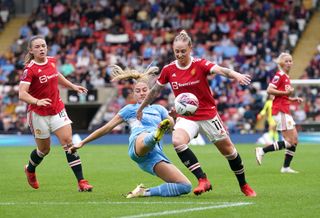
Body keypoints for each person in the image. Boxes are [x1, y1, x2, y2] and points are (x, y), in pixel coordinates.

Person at [137, 30, 256, 197]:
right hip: (187, 116)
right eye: (176, 51)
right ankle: (202, 179)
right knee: (177, 141)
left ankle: (243, 184)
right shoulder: (169, 70)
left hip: (208, 115)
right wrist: (141, 107)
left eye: (183, 51)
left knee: (229, 152)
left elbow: (220, 70)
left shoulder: (200, 64)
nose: (179, 54)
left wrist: (235, 74)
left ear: (190, 48)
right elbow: (155, 91)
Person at [69, 65, 192, 198]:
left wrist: (173, 116)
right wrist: (82, 142)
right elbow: (107, 128)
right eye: (138, 91)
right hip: (138, 144)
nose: (142, 93)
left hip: (154, 155)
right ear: (134, 94)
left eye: (145, 90)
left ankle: (144, 192)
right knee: (145, 135)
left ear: (150, 91)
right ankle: (154, 135)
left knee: (185, 186)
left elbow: (171, 126)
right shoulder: (130, 109)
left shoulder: (159, 109)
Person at [19, 35, 93, 191]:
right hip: (38, 114)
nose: (41, 49)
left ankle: (82, 182)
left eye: (43, 46)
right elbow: (22, 94)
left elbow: (56, 75)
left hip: (57, 110)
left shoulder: (51, 61)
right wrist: (37, 101)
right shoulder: (30, 70)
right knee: (44, 150)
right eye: (37, 47)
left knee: (68, 143)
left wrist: (72, 86)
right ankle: (30, 170)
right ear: (31, 50)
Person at [255, 52, 303, 173]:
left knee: (295, 140)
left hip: (285, 109)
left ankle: (286, 167)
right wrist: (286, 94)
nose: (289, 63)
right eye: (286, 61)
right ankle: (262, 150)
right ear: (281, 63)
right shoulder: (279, 75)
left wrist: (292, 99)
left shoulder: (286, 77)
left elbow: (282, 95)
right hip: (280, 110)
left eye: (290, 61)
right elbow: (269, 90)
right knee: (290, 141)